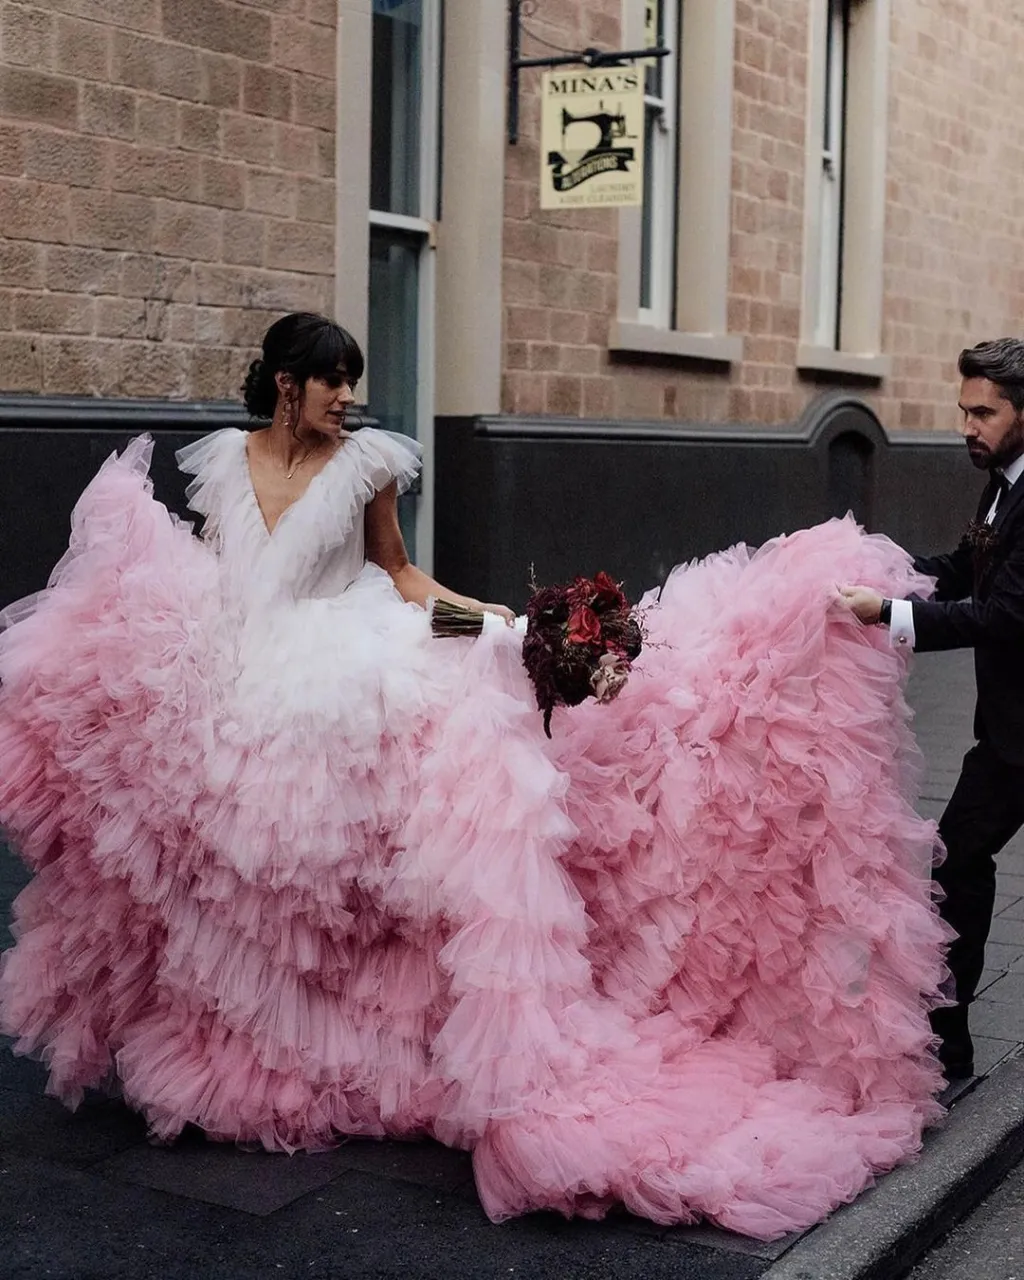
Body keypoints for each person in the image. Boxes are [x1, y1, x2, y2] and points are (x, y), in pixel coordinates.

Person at [1, 311, 948, 1242]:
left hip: (347, 653)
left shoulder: (369, 465)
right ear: (286, 384)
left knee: (400, 818)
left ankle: (385, 1038)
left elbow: (401, 574)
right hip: (241, 661)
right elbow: (218, 573)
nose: (346, 399)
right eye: (331, 381)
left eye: (352, 382)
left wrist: (485, 616)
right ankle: (248, 1043)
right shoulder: (221, 462)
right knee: (227, 863)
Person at [839, 338, 1024, 1081]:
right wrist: (887, 573)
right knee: (957, 862)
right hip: (1009, 737)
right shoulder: (1004, 482)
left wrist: (887, 613)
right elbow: (964, 567)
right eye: (964, 411)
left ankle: (948, 1046)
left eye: (984, 412)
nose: (968, 426)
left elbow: (1004, 615)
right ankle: (948, 1045)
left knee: (958, 861)